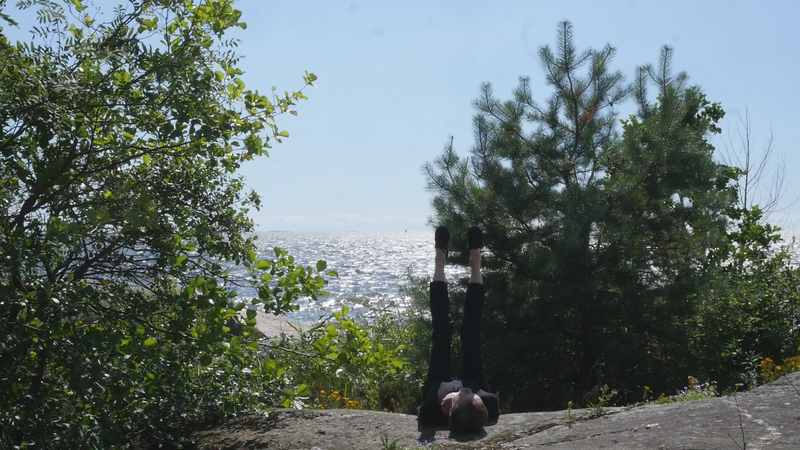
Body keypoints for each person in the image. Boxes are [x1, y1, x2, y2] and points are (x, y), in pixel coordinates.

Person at [417, 225, 501, 434]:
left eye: (465, 396)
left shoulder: (430, 411)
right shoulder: (488, 402)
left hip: (437, 384)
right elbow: (485, 405)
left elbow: (423, 421)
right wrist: (473, 394)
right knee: (471, 331)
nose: (467, 391)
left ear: (451, 411)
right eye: (474, 397)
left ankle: (439, 261)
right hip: (475, 378)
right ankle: (475, 262)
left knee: (442, 330)